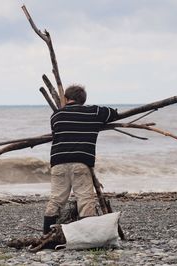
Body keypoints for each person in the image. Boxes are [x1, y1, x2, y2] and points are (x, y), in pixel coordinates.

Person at [43, 84, 119, 234]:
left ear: (66, 98)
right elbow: (113, 113)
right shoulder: (94, 112)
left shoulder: (56, 116)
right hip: (81, 163)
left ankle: (47, 234)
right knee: (85, 200)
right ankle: (87, 235)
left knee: (56, 199)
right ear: (84, 100)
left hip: (58, 162)